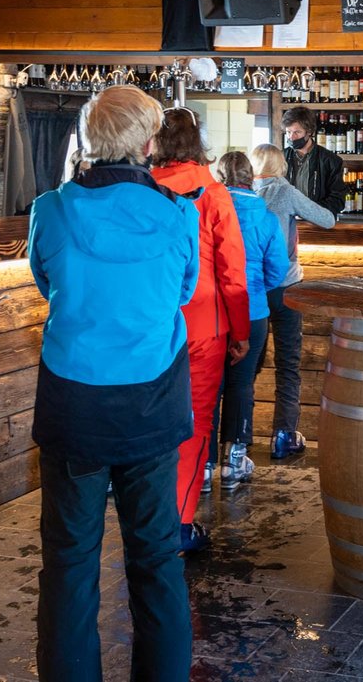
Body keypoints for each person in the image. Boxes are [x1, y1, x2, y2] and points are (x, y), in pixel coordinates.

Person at [28, 86, 200, 682]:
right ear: (148, 144)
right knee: (156, 558)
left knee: (70, 563)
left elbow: (45, 282)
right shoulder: (180, 214)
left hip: (74, 400)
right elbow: (182, 291)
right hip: (151, 399)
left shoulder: (51, 209)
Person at [151, 108, 252, 552]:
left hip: (153, 323)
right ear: (199, 142)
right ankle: (179, 523)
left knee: (151, 423)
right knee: (194, 424)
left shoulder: (143, 188)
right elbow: (232, 271)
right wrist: (241, 331)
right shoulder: (212, 192)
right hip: (203, 326)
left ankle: (148, 522)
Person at [210, 150, 291, 489]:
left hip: (212, 311)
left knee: (210, 385)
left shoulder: (207, 209)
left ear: (220, 177)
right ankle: (234, 460)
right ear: (250, 178)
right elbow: (278, 269)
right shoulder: (266, 217)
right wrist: (257, 289)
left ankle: (203, 466)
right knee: (241, 383)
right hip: (252, 308)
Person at [250, 143, 336, 460]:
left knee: (249, 364)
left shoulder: (243, 192)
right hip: (285, 285)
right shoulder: (284, 191)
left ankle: (240, 439)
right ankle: (283, 436)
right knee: (288, 364)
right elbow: (327, 219)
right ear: (281, 166)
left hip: (252, 288)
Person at [281, 105, 348, 216]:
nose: (292, 137)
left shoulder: (331, 161)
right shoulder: (280, 158)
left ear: (309, 131)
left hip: (317, 223)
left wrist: (308, 210)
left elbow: (338, 201)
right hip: (287, 222)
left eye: (297, 132)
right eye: (288, 132)